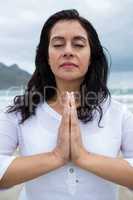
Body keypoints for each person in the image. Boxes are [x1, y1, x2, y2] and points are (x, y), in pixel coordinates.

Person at [0, 9, 133, 200]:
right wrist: (56, 157)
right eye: (58, 44)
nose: (68, 51)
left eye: (78, 44)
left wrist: (83, 157)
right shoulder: (21, 111)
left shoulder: (119, 113)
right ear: (46, 55)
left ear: (91, 56)